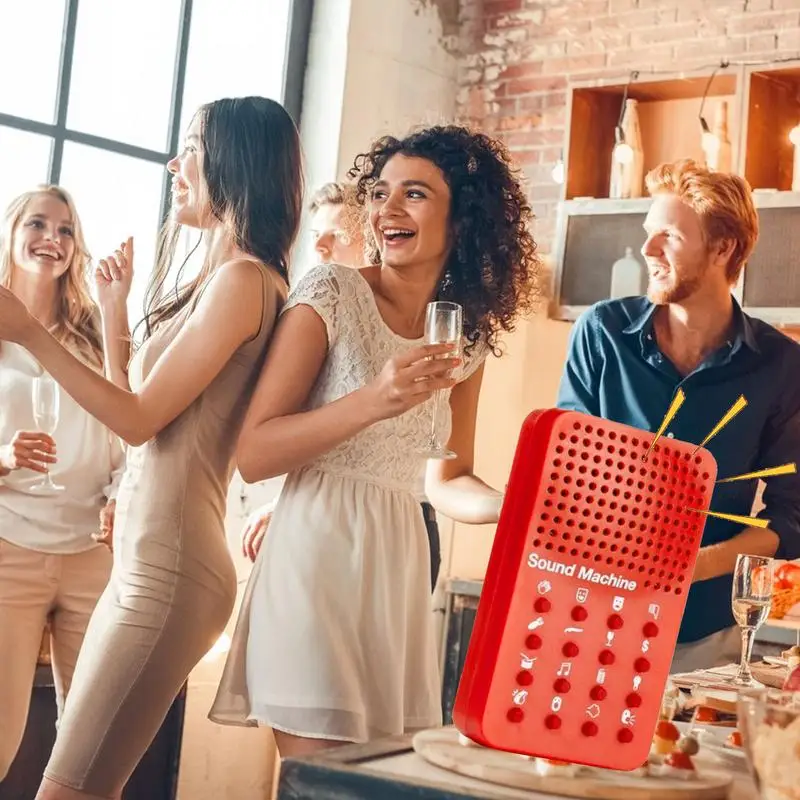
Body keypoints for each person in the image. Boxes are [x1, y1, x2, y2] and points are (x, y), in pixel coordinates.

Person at [0, 96, 303, 800]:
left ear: (235, 161)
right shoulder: (220, 280)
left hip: (171, 571)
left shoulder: (244, 281)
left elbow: (137, 421)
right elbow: (139, 413)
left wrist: (27, 332)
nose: (175, 161)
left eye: (192, 144)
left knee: (67, 790)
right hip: (143, 563)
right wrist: (112, 314)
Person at [210, 124, 541, 757]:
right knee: (317, 780)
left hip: (399, 567)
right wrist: (372, 401)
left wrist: (518, 504)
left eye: (413, 194)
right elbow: (254, 454)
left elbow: (446, 477)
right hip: (314, 554)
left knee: (374, 781)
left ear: (463, 221)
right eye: (380, 192)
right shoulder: (330, 293)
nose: (386, 208)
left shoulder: (463, 339)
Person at [556, 159, 800, 673]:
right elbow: (566, 476)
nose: (647, 250)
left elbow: (789, 520)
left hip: (705, 636)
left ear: (722, 248)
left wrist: (688, 568)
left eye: (667, 235)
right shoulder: (601, 333)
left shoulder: (781, 365)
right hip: (591, 617)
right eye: (649, 233)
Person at [241, 179, 444, 591]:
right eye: (316, 236)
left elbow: (383, 450)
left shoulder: (437, 324)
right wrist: (287, 500)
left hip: (409, 527)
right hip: (325, 527)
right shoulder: (316, 307)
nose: (320, 247)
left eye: (338, 235)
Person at [0, 185, 124, 781]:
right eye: (39, 224)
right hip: (9, 550)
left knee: (91, 750)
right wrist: (3, 456)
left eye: (67, 230)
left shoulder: (95, 334)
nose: (53, 239)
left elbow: (131, 420)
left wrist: (121, 494)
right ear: (11, 230)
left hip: (91, 556)